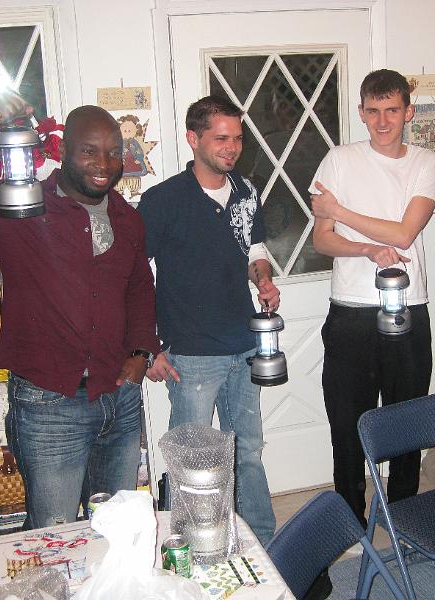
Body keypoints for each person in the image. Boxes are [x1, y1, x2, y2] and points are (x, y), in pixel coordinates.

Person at [0, 98, 160, 528]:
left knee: (117, 529)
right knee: (53, 534)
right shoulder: (17, 203)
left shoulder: (127, 217)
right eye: (89, 150)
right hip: (49, 404)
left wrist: (141, 349)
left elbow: (139, 287)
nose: (104, 163)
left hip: (119, 399)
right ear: (62, 152)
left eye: (114, 152)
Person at [138, 95, 279, 545]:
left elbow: (253, 250)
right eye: (221, 138)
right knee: (194, 460)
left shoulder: (245, 191)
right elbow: (133, 276)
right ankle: (192, 546)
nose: (231, 147)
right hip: (192, 353)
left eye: (237, 138)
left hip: (245, 344)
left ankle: (263, 542)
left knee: (249, 452)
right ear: (192, 139)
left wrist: (263, 281)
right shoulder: (162, 200)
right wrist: (147, 346)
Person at [309, 69, 435, 525]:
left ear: (408, 112)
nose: (382, 121)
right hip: (350, 312)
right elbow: (322, 239)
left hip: (407, 309)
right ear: (361, 113)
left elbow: (405, 233)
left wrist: (342, 211)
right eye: (373, 111)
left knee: (405, 423)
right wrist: (366, 248)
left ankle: (405, 518)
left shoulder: (426, 161)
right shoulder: (338, 160)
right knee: (346, 427)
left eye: (392, 111)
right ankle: (349, 519)